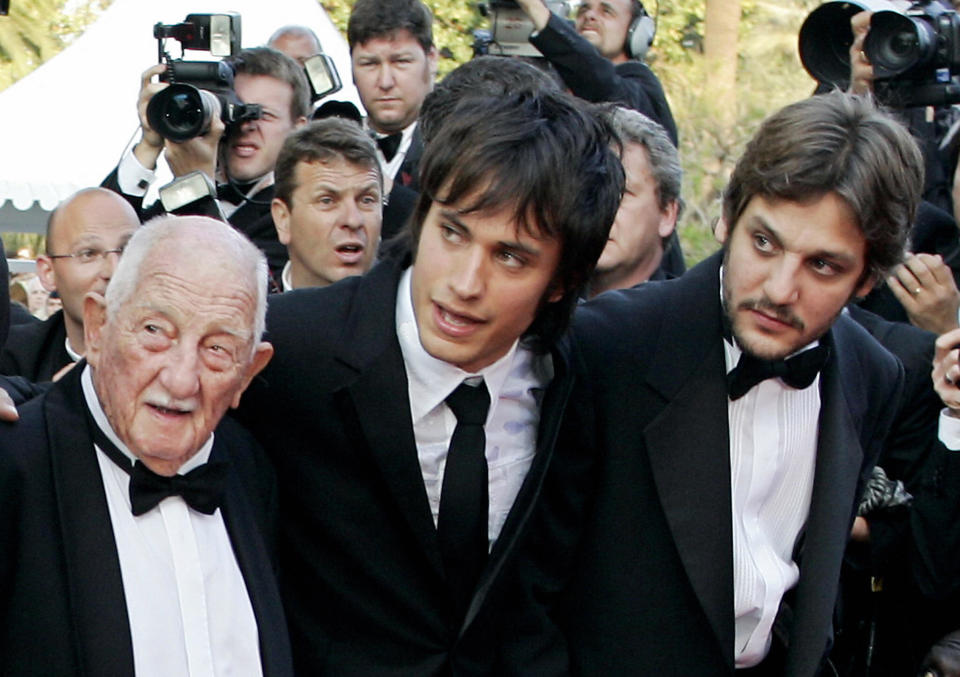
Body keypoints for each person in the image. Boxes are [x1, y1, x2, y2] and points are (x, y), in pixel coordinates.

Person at [235, 89, 623, 675]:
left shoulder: (579, 376)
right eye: (454, 232)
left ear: (563, 280)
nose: (466, 282)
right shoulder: (285, 351)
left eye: (511, 257)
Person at [550, 91, 924, 674]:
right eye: (765, 242)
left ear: (868, 279)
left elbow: (812, 581)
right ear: (728, 217)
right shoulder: (608, 347)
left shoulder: (874, 376)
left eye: (822, 265)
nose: (778, 289)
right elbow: (529, 586)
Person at [0, 215, 289, 676]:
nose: (180, 379)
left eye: (217, 348)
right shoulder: (14, 466)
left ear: (248, 374)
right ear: (97, 328)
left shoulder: (252, 471)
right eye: (156, 330)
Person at [102, 47, 311, 278]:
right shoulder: (169, 205)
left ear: (298, 128)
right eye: (235, 108)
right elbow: (102, 246)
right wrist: (149, 145)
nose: (246, 124)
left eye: (263, 114)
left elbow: (238, 290)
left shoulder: (299, 215)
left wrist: (194, 185)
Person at [0, 188, 138, 382]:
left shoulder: (180, 361)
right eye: (88, 254)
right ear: (48, 272)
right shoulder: (15, 361)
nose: (114, 270)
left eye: (127, 249)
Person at [514, 0, 678, 146]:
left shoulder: (641, 85)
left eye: (606, 11)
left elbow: (605, 86)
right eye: (583, 9)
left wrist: (534, 7)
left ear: (635, 30)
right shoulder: (555, 81)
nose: (589, 15)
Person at [348, 0, 437, 240]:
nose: (385, 81)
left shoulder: (459, 148)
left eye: (401, 62)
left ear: (432, 59)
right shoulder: (327, 144)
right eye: (369, 64)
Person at [271, 118, 383, 290]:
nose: (353, 220)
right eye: (327, 201)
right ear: (283, 219)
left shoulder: (412, 311)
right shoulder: (246, 311)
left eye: (366, 200)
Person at [588, 106, 681, 296]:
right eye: (588, 191)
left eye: (621, 194)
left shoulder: (688, 320)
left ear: (667, 215)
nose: (601, 208)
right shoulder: (538, 307)